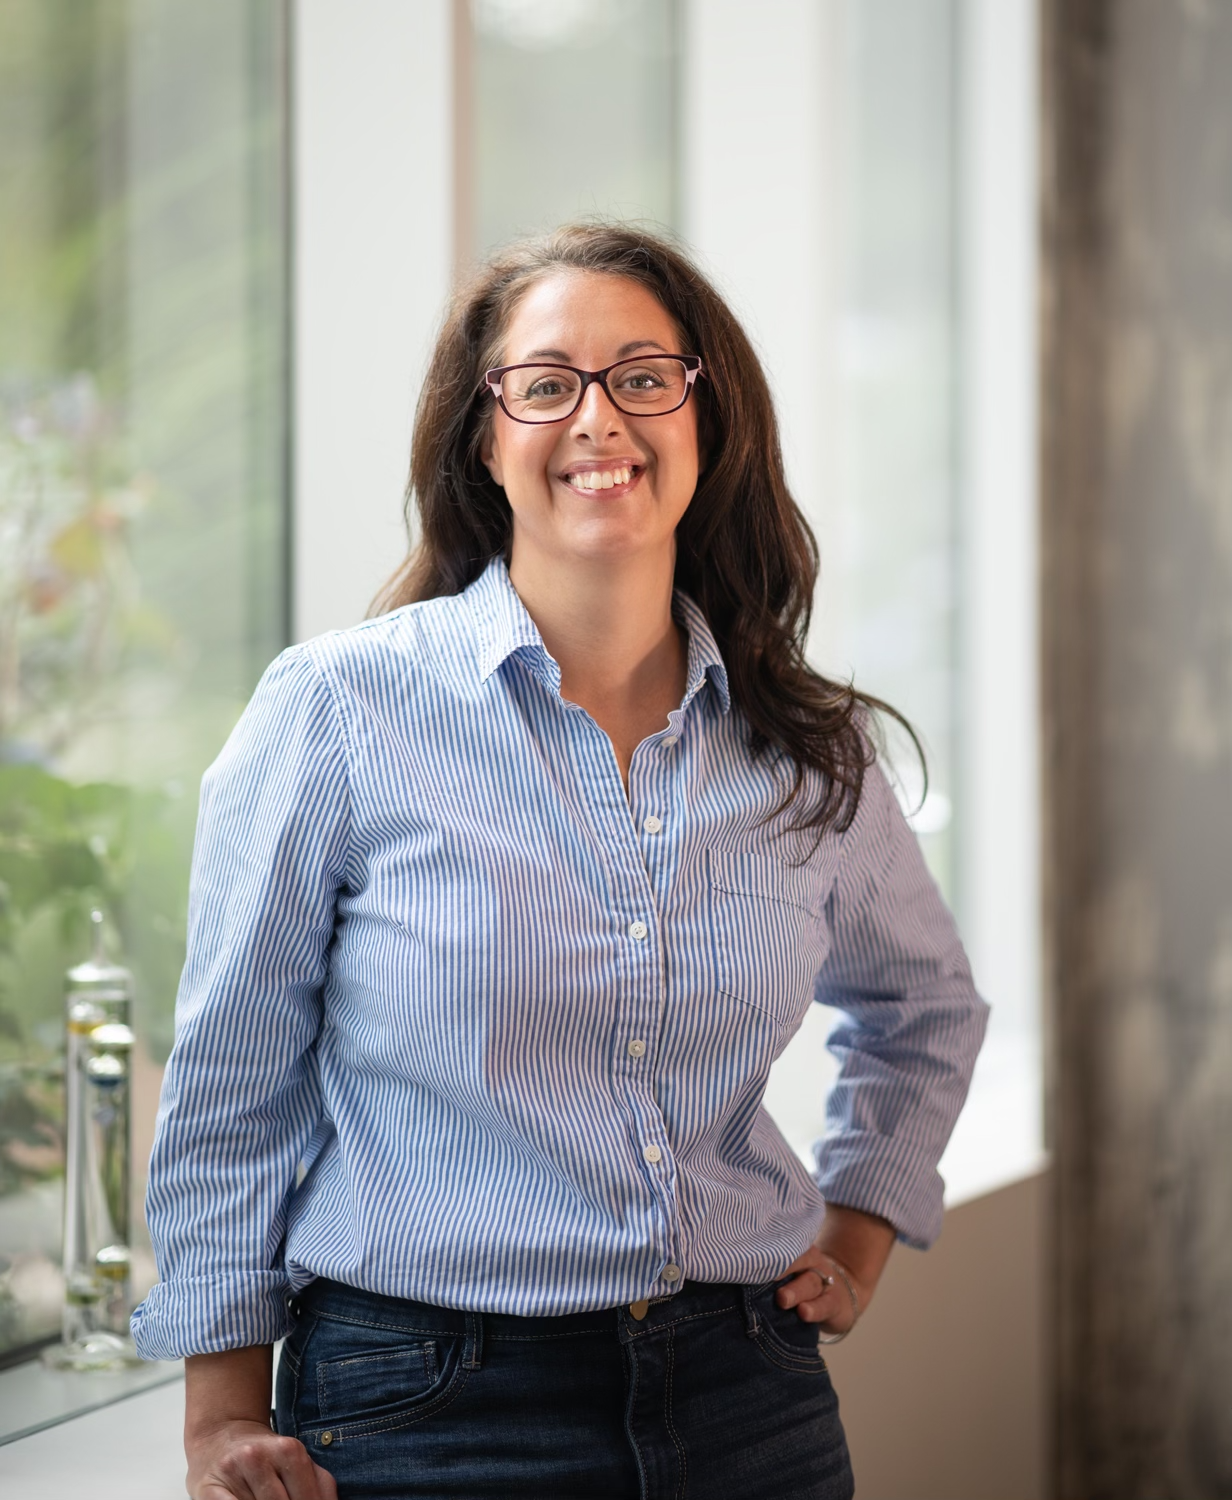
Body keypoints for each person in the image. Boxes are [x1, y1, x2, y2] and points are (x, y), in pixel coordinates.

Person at [132, 222, 988, 1500]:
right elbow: (234, 1073)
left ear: (706, 419)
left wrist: (862, 1218)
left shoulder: (809, 748)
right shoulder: (335, 713)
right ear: (485, 437)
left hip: (747, 1393)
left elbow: (923, 1007)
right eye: (546, 383)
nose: (599, 418)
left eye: (644, 376)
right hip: (424, 1405)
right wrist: (218, 1413)